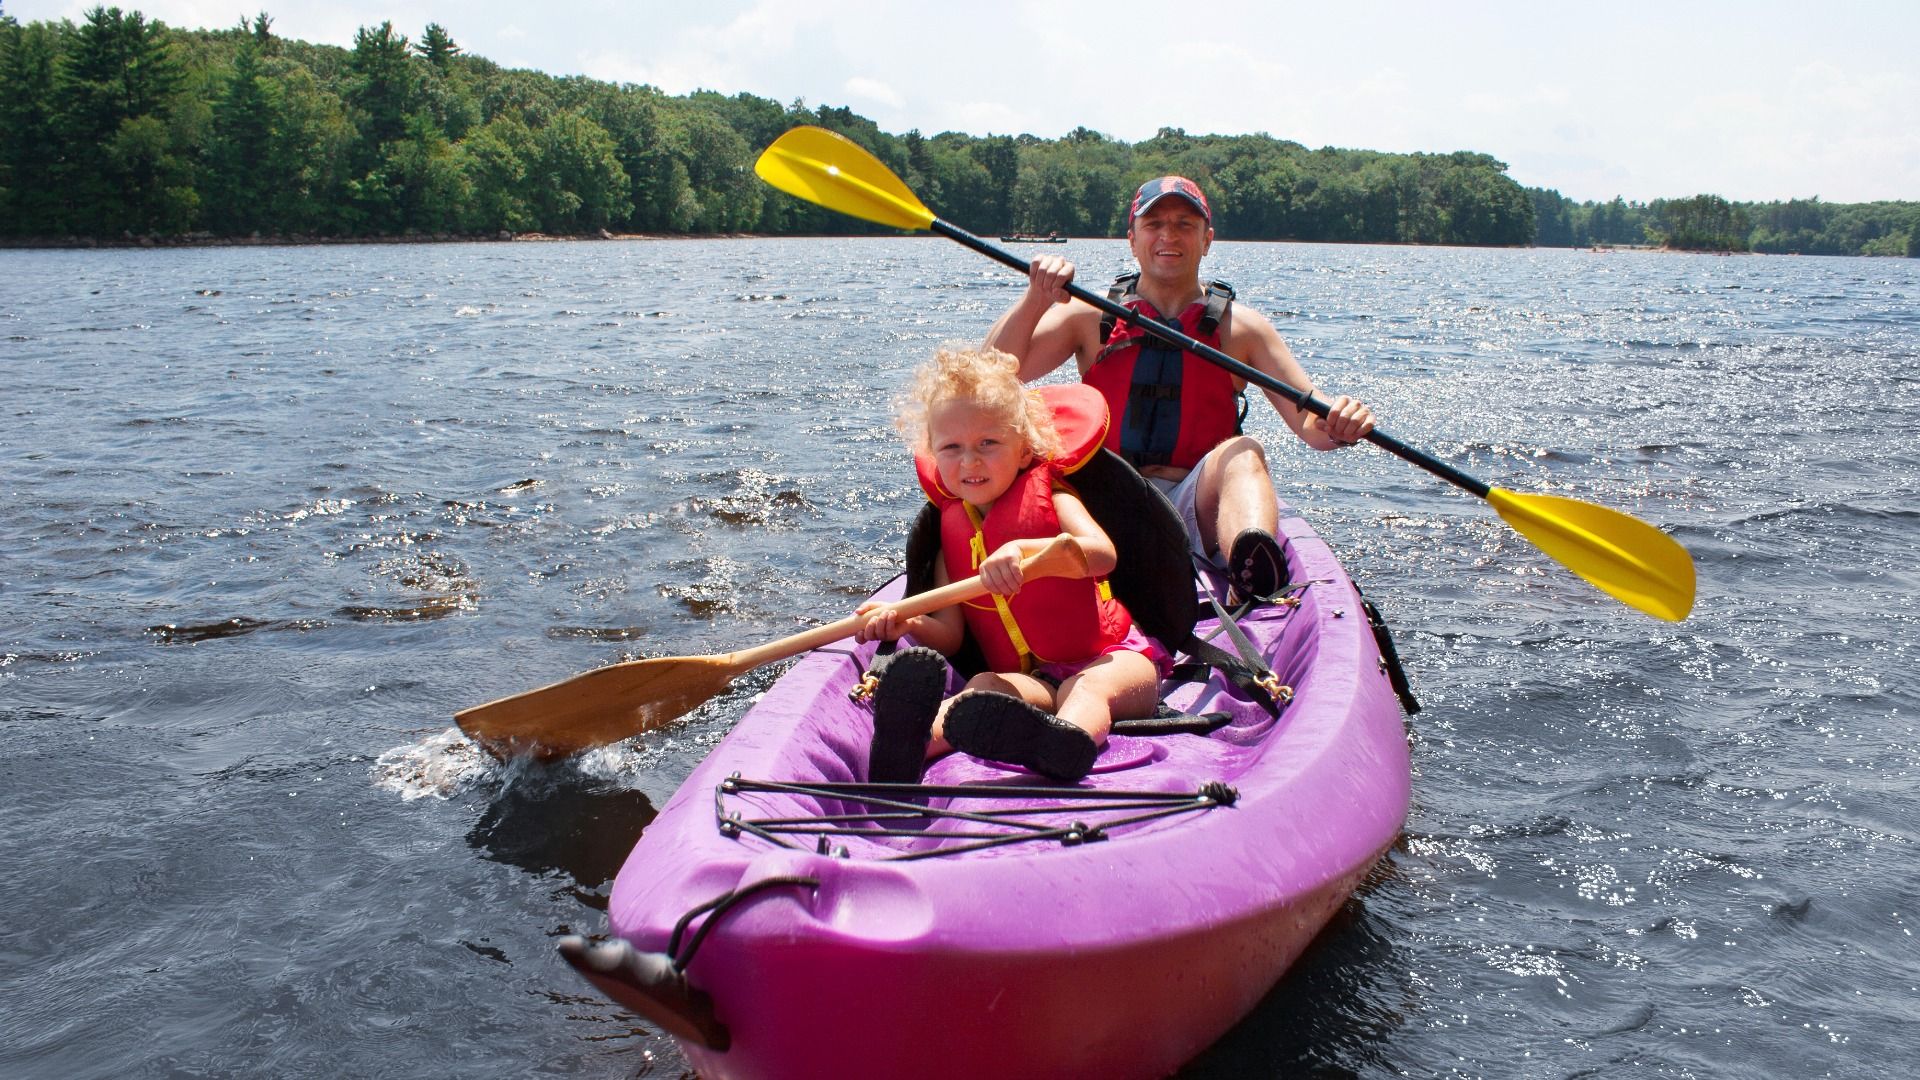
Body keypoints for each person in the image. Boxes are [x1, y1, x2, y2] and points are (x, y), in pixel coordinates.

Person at [984, 175, 1377, 601]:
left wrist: (1341, 423)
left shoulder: (1241, 328)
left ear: (1207, 240)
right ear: (1132, 239)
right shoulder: (1089, 315)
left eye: (1185, 225)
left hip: (1194, 504)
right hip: (1100, 503)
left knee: (1243, 451)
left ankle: (1250, 574)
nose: (1168, 236)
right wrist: (1035, 299)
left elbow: (1309, 424)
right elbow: (988, 379)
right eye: (1154, 225)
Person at [853, 345, 1167, 784]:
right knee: (983, 684)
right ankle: (910, 744)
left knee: (1085, 688)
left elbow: (1101, 553)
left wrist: (1026, 554)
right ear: (935, 456)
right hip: (1037, 681)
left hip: (1112, 660)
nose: (970, 460)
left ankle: (1066, 742)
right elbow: (949, 634)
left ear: (1023, 450)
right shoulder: (951, 537)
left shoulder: (1054, 498)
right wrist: (906, 623)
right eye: (952, 447)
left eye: (989, 443)